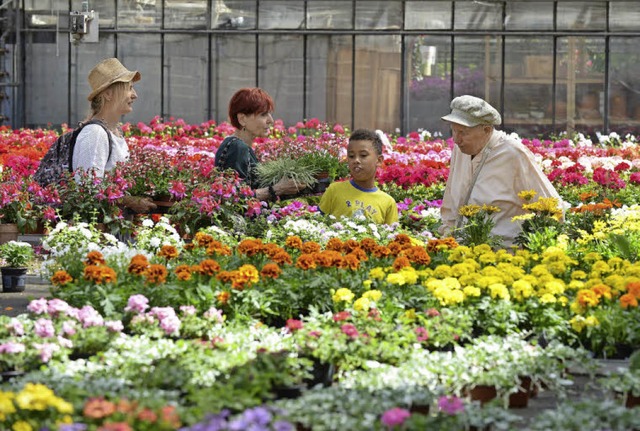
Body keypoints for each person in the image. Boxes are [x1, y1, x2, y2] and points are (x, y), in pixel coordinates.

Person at [439, 95, 562, 247]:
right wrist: (447, 234)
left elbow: (551, 206)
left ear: (486, 130)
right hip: (463, 253)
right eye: (454, 131)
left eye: (463, 132)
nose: (456, 140)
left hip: (505, 255)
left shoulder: (513, 153)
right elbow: (451, 201)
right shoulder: (460, 150)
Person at [73, 57, 156, 213]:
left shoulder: (115, 132)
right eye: (129, 88)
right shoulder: (95, 133)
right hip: (98, 229)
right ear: (108, 94)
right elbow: (87, 189)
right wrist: (130, 201)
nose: (134, 95)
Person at [215, 87, 301, 201]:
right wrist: (277, 189)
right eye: (263, 114)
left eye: (269, 114)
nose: (271, 120)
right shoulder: (237, 147)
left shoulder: (239, 145)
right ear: (242, 119)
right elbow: (233, 198)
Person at [319, 128, 398, 225]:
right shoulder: (334, 190)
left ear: (379, 160)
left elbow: (392, 237)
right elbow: (317, 224)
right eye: (351, 156)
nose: (356, 160)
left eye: (363, 155)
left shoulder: (388, 202)